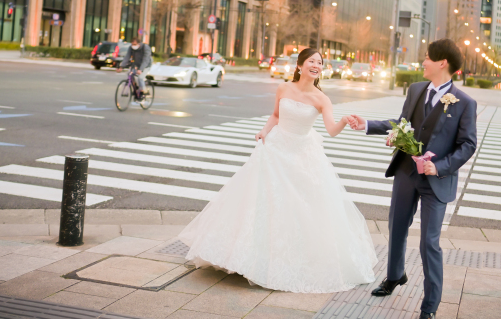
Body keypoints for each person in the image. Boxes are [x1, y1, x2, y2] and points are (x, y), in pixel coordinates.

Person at [178, 48, 378, 293]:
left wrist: (345, 121)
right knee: (263, 201)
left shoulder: (321, 98)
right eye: (312, 61)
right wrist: (264, 131)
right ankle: (247, 256)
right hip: (276, 148)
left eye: (319, 63)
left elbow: (331, 130)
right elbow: (275, 115)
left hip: (303, 154)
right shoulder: (284, 88)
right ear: (300, 65)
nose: (316, 65)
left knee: (299, 207)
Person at [347, 39, 477, 319]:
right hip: (406, 171)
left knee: (429, 242)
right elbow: (402, 123)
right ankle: (395, 276)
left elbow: (467, 144)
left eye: (428, 58)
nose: (423, 62)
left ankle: (429, 308)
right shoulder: (416, 89)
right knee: (396, 226)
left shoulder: (465, 103)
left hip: (436, 181)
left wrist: (439, 167)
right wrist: (367, 125)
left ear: (443, 63)